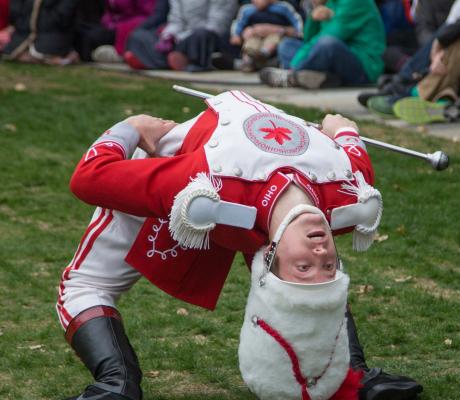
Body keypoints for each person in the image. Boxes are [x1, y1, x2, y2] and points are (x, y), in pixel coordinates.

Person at [58, 90, 424, 400]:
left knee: (84, 287)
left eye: (304, 268)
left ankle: (116, 385)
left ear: (267, 258)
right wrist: (342, 128)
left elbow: (90, 176)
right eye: (328, 267)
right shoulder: (347, 197)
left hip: (188, 194)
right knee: (312, 278)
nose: (321, 254)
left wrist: (131, 127)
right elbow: (354, 152)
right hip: (222, 200)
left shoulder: (200, 177)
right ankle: (352, 375)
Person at [259, 0, 386, 89]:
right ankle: (325, 78)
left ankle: (291, 77)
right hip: (333, 58)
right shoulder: (329, 3)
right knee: (287, 45)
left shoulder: (355, 2)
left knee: (327, 43)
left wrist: (294, 66)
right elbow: (308, 40)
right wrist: (313, 18)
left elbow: (329, 36)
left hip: (364, 67)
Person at [122, 0, 237, 71]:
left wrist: (183, 39)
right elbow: (176, 21)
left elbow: (217, 25)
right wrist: (168, 36)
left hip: (209, 37)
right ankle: (179, 60)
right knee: (137, 36)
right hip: (181, 38)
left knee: (201, 37)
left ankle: (151, 61)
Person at [230, 0, 303, 72]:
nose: (254, 1)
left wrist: (299, 32)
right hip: (255, 35)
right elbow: (238, 23)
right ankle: (247, 61)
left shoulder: (283, 7)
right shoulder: (248, 9)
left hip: (275, 35)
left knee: (273, 40)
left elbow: (296, 20)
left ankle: (263, 54)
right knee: (250, 42)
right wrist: (236, 35)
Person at [74, 0, 155, 63]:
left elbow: (148, 15)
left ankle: (117, 54)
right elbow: (110, 11)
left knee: (91, 37)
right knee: (82, 30)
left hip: (128, 27)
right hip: (112, 24)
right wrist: (109, 22)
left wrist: (120, 26)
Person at [2, 0, 79, 64]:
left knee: (38, 54)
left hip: (53, 35)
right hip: (24, 34)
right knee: (13, 53)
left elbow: (62, 17)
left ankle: (65, 58)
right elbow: (16, 13)